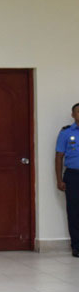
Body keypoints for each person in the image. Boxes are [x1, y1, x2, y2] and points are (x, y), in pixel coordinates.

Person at [56, 103, 79, 257]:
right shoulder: (66, 133)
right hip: (73, 176)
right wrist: (59, 179)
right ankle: (76, 246)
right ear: (73, 115)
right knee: (74, 212)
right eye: (78, 112)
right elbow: (59, 157)